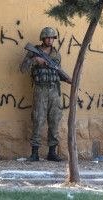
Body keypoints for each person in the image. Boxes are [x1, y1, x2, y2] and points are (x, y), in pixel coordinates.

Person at [20, 27, 72, 162]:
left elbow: (54, 73)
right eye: (48, 37)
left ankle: (52, 152)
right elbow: (23, 68)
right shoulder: (34, 52)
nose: (50, 40)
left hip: (54, 91)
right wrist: (35, 60)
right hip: (40, 90)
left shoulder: (56, 54)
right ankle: (35, 153)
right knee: (38, 119)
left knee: (55, 120)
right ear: (43, 38)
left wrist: (66, 79)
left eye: (52, 38)